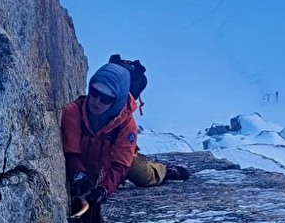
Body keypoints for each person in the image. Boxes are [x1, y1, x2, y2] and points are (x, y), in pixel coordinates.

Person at [60, 62, 189, 208]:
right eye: (94, 93)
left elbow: (120, 166)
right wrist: (79, 175)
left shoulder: (126, 124)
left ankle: (164, 171)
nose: (97, 102)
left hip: (116, 158)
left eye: (106, 98)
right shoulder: (73, 112)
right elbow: (72, 153)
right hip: (88, 160)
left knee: (144, 176)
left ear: (117, 100)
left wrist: (105, 190)